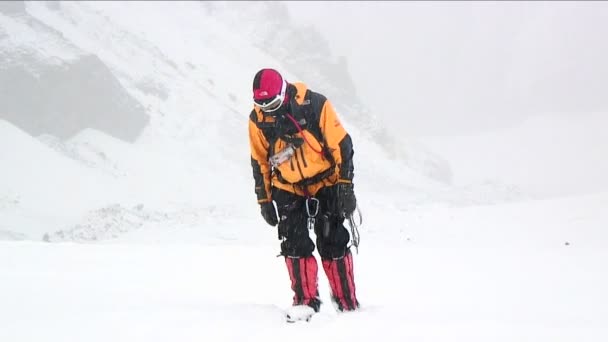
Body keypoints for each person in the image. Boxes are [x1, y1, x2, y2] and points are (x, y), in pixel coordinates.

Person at [248, 68, 360, 314]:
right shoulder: (258, 120)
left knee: (333, 241)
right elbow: (259, 161)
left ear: (284, 92)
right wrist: (264, 199)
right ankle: (305, 304)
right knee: (294, 243)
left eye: (273, 104)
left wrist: (345, 186)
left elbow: (342, 145)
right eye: (261, 105)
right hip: (287, 186)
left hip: (325, 182)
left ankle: (347, 303)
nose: (268, 110)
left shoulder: (315, 105)